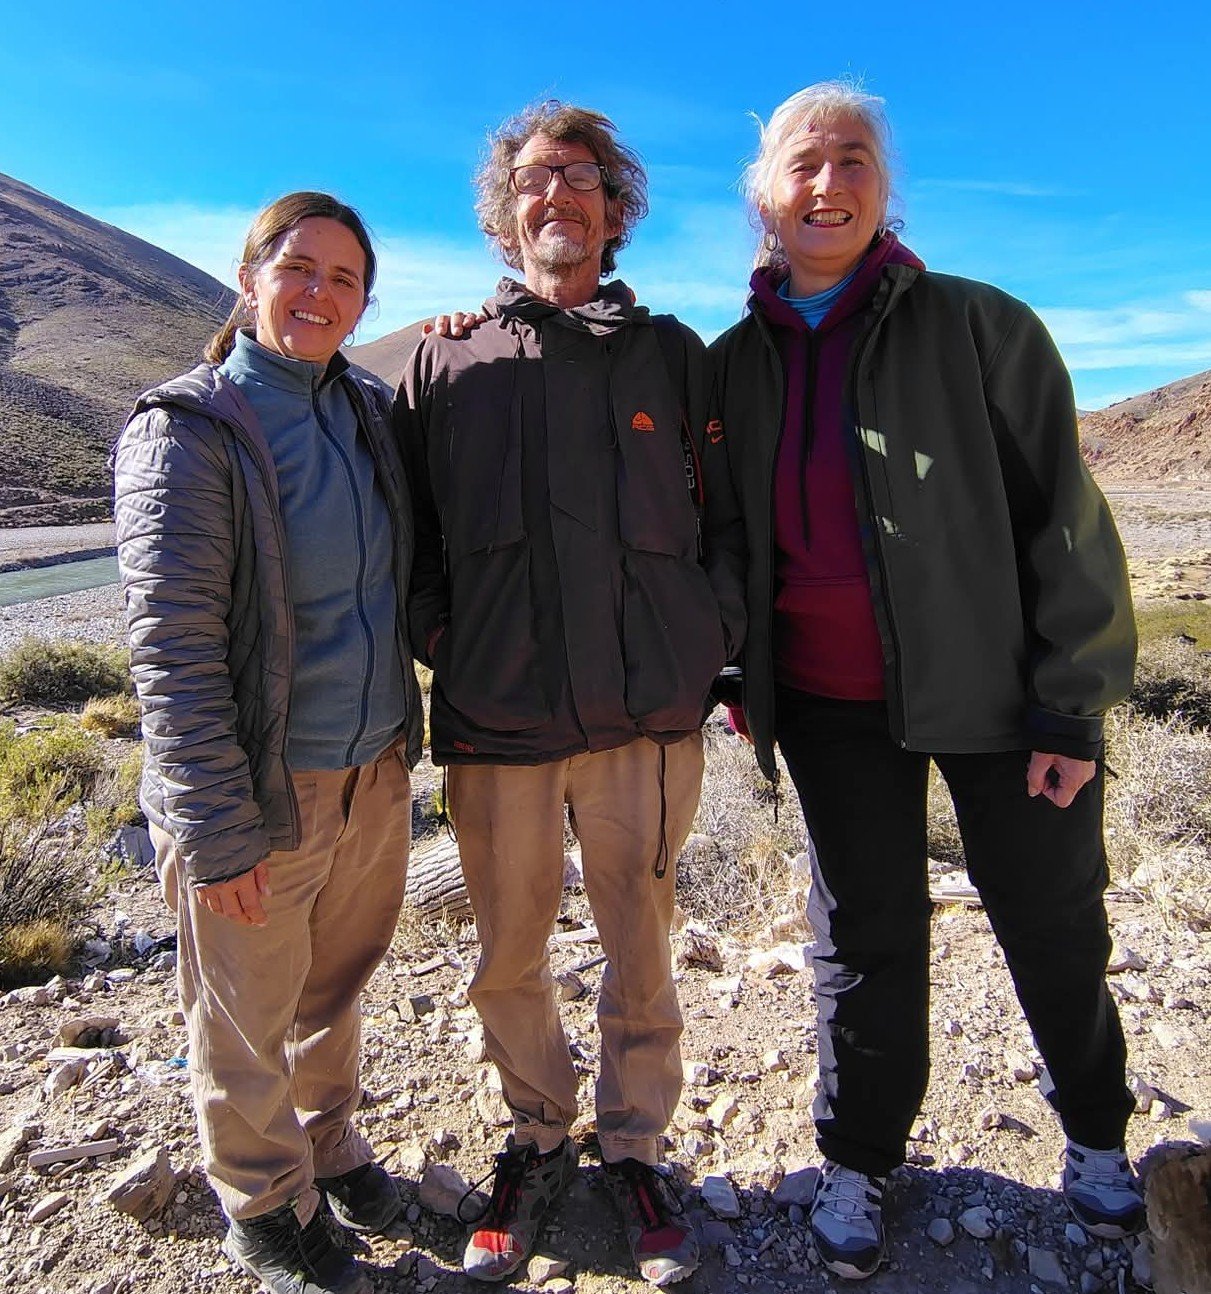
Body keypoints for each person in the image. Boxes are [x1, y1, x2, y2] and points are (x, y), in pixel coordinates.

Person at [710, 81, 1142, 1281]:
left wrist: (1070, 702)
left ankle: (1095, 1135)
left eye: (853, 158)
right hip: (827, 704)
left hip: (1000, 697)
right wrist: (735, 666)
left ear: (884, 187)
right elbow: (722, 534)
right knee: (861, 933)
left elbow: (1064, 518)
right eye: (802, 162)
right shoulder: (731, 365)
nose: (827, 183)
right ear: (762, 195)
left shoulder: (977, 325)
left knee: (1051, 917)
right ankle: (857, 1155)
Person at [397, 100, 746, 1286]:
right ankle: (538, 1137)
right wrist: (447, 638)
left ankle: (635, 1147)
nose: (557, 195)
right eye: (534, 180)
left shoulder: (672, 353)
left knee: (641, 942)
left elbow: (725, 520)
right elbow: (412, 534)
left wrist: (709, 639)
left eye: (580, 177)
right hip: (498, 719)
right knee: (507, 953)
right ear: (506, 212)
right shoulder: (446, 358)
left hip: (645, 717)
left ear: (614, 206)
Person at [114, 192, 424, 1294]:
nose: (319, 294)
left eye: (345, 279)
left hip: (371, 769)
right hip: (258, 786)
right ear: (249, 280)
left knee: (332, 989)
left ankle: (328, 1149)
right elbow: (173, 647)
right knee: (245, 1016)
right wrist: (213, 828)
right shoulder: (189, 429)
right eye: (298, 268)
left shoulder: (366, 411)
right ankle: (261, 1203)